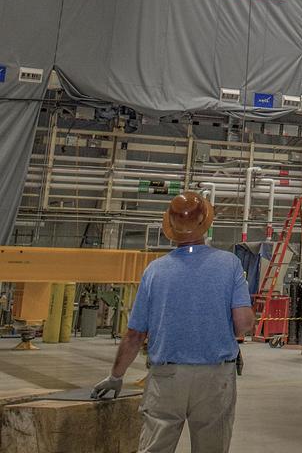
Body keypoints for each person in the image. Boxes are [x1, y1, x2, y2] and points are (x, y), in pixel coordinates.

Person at [91, 190, 255, 452]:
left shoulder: (155, 271)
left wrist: (115, 376)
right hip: (215, 377)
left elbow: (135, 334)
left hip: (166, 377)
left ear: (170, 225)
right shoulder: (230, 264)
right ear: (205, 223)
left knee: (155, 446)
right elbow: (243, 324)